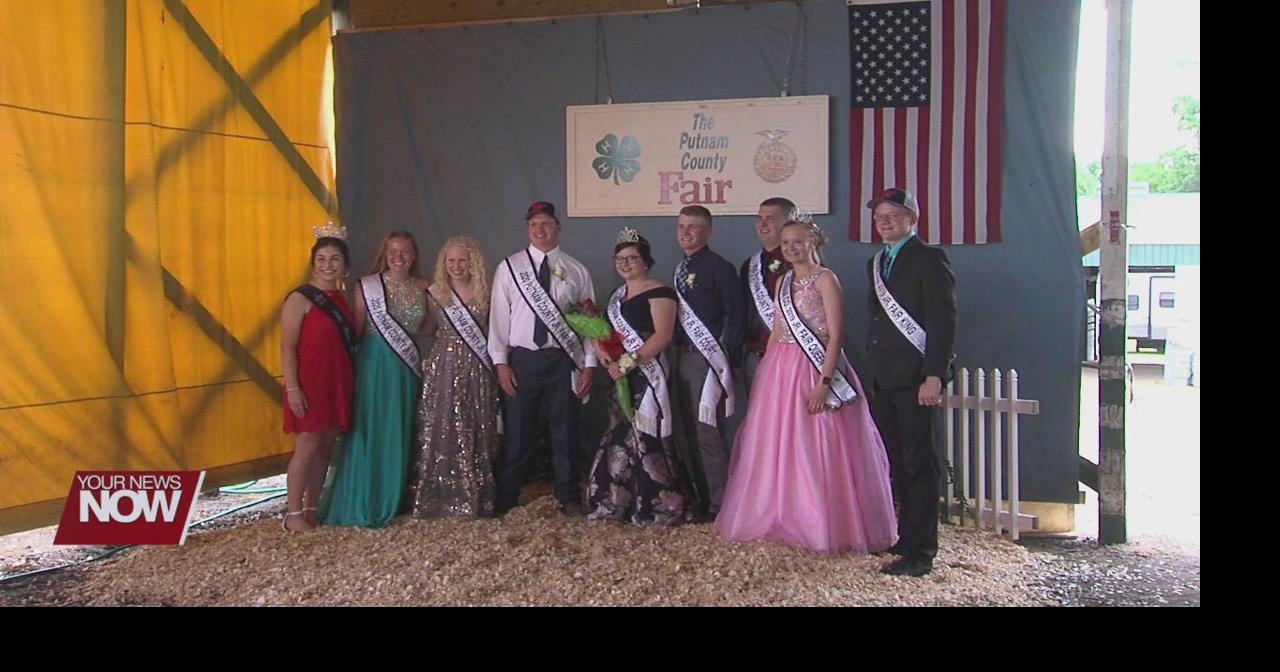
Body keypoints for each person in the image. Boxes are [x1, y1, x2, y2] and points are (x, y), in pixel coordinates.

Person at [716, 216, 897, 555]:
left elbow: (837, 334)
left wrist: (825, 382)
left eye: (797, 241)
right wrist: (766, 376)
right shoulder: (783, 281)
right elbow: (776, 330)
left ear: (813, 241)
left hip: (815, 369)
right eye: (786, 243)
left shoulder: (826, 279)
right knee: (778, 445)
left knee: (819, 444)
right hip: (780, 369)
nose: (791, 248)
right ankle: (781, 516)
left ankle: (823, 524)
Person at [863, 188, 957, 577]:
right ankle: (906, 537)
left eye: (894, 215)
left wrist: (934, 374)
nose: (885, 222)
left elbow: (943, 320)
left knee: (919, 464)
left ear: (912, 220)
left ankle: (922, 552)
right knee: (898, 463)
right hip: (886, 378)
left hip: (916, 379)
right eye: (880, 216)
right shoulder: (877, 261)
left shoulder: (929, 258)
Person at [489, 201, 597, 517]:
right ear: (527, 229)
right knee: (518, 431)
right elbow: (499, 319)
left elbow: (589, 322)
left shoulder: (577, 270)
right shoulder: (509, 268)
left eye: (546, 223)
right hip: (523, 359)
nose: (540, 229)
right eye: (534, 224)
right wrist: (501, 363)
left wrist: (589, 363)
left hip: (563, 359)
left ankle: (567, 495)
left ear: (558, 227)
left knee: (565, 431)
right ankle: (508, 496)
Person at [322, 231, 430, 527]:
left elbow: (432, 327)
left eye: (405, 252)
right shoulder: (366, 287)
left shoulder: (425, 286)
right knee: (369, 428)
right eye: (393, 251)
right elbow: (356, 329)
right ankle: (364, 498)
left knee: (399, 428)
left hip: (405, 368)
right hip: (373, 364)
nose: (398, 257)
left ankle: (392, 497)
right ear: (384, 254)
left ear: (414, 256)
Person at [584, 229, 689, 527]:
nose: (626, 263)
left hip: (646, 375)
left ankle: (658, 505)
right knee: (620, 435)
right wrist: (602, 352)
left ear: (646, 262)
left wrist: (629, 362)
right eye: (620, 259)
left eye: (632, 258)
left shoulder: (660, 292)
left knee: (647, 434)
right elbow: (605, 333)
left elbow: (663, 335)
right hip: (620, 375)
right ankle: (618, 501)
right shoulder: (617, 297)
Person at [410, 236, 502, 518]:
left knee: (477, 424)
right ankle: (440, 497)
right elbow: (425, 327)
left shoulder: (487, 291)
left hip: (477, 365)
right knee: (443, 425)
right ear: (443, 263)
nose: (456, 266)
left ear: (473, 261)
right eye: (451, 261)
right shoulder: (436, 292)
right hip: (444, 365)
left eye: (462, 260)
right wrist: (440, 335)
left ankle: (476, 496)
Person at [280, 230, 356, 532]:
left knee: (326, 444)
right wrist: (293, 388)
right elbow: (287, 346)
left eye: (334, 259)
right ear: (313, 263)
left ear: (344, 266)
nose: (328, 264)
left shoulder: (342, 298)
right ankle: (293, 513)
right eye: (322, 259)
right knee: (308, 444)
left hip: (336, 379)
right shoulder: (300, 298)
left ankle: (312, 507)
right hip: (309, 382)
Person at [671, 205, 743, 522]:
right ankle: (700, 497)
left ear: (708, 231)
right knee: (688, 434)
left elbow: (736, 315)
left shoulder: (720, 268)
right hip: (683, 356)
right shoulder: (679, 268)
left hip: (708, 360)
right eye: (682, 227)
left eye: (694, 227)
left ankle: (720, 502)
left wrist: (731, 359)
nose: (686, 233)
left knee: (708, 434)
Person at [738, 197, 795, 390]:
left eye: (770, 218)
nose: (763, 224)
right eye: (759, 218)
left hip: (792, 355)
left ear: (788, 222)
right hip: (756, 354)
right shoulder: (750, 266)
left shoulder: (800, 262)